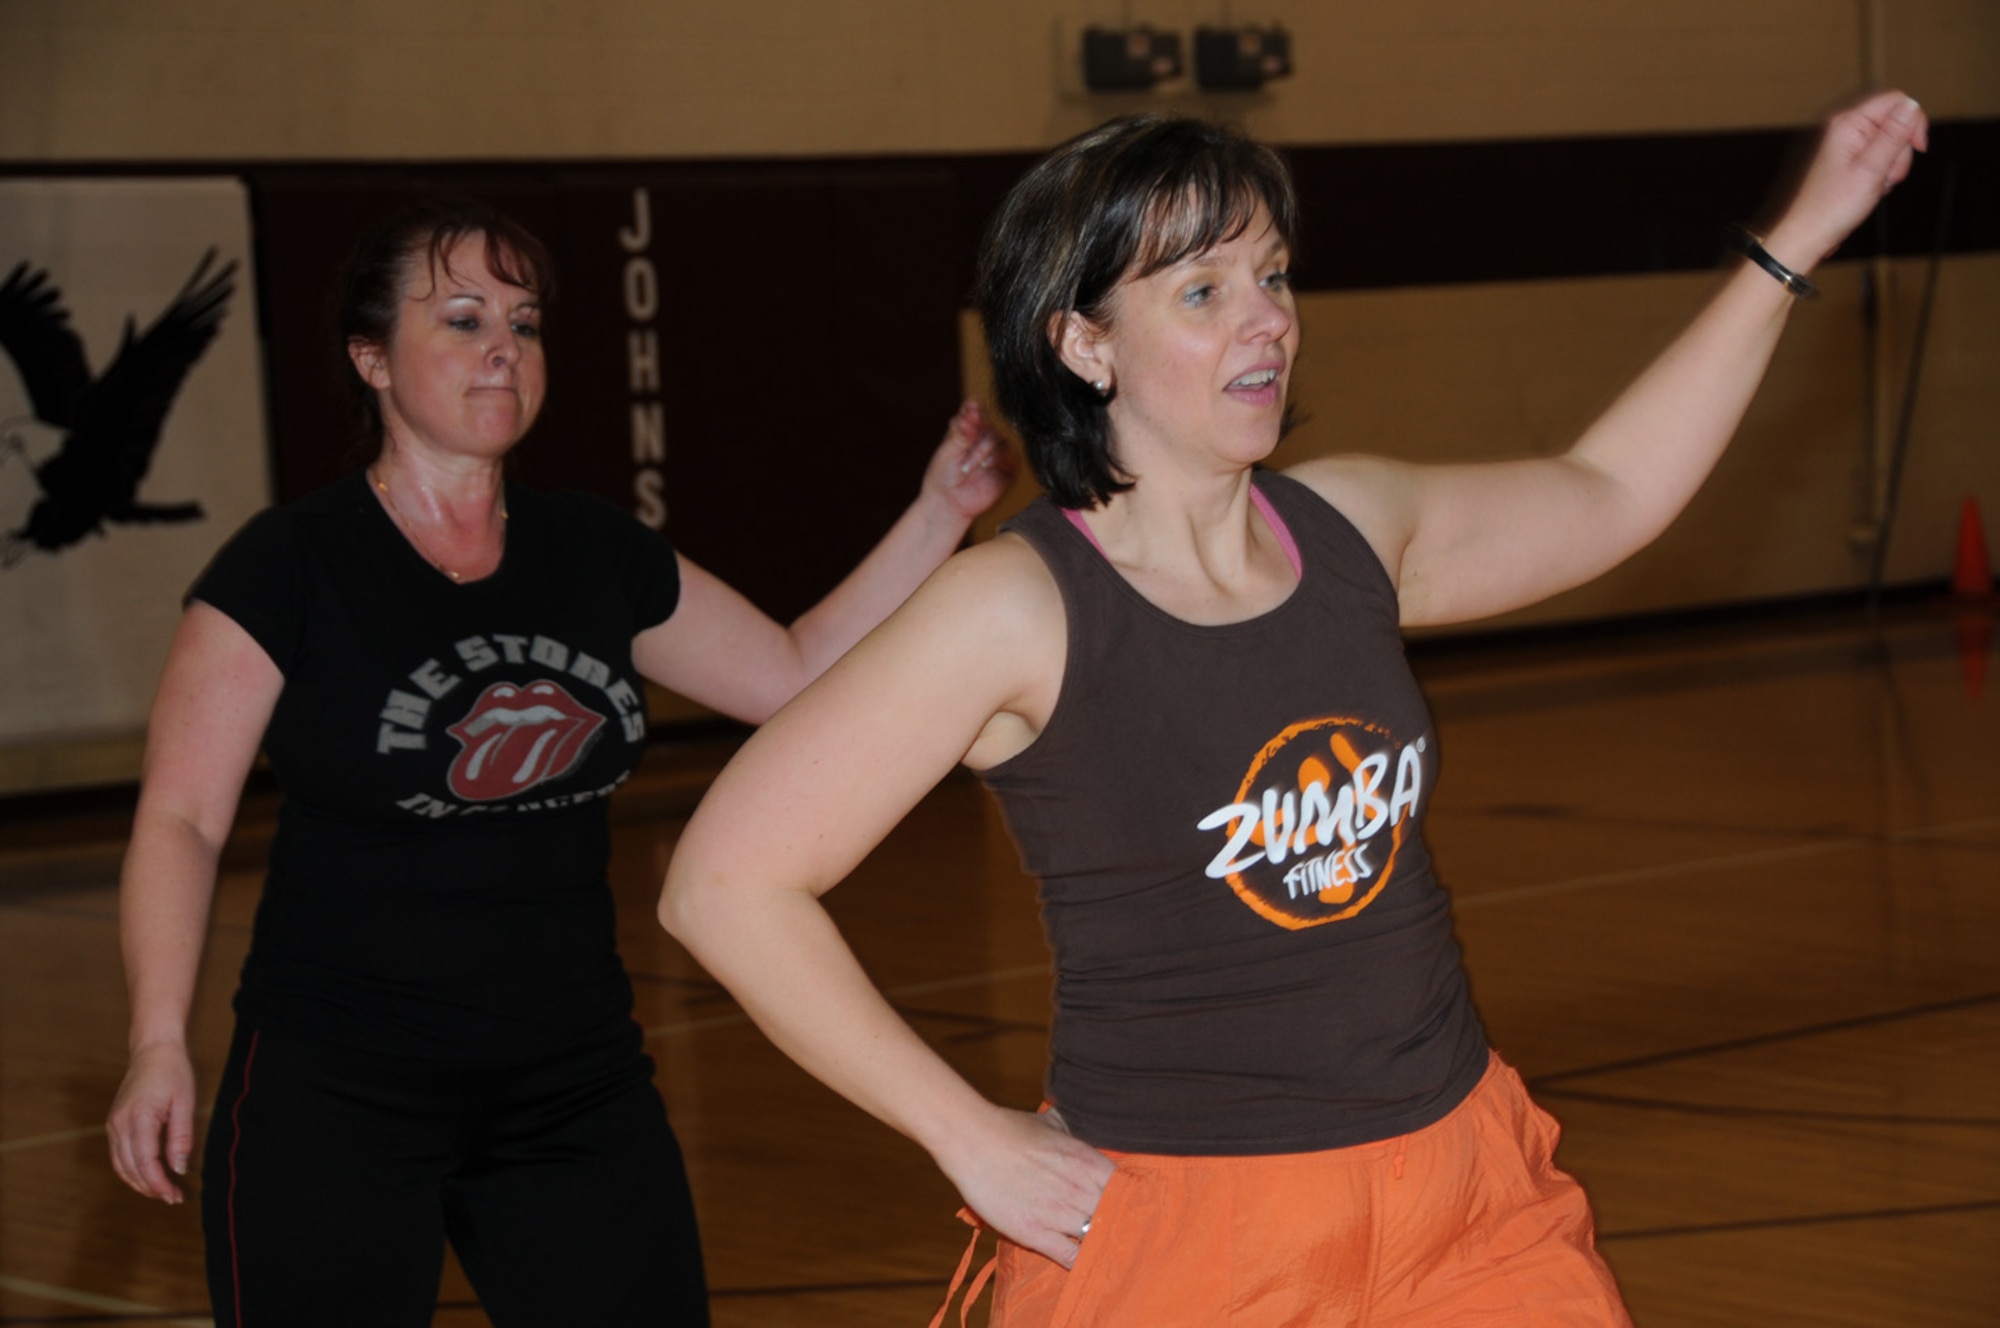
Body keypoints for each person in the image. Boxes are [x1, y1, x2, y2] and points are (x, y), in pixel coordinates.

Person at [659, 91, 1927, 1325]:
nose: (1264, 320)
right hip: (1193, 1230)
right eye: (1202, 292)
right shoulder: (1014, 607)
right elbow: (724, 882)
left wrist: (1792, 244)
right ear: (1082, 340)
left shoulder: (1348, 528)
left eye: (1271, 276)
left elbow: (1607, 490)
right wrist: (963, 1134)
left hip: (1463, 1197)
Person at [104, 199, 1013, 1326]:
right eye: (465, 318)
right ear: (371, 357)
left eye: (525, 324)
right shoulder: (289, 566)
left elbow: (791, 671)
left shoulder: (591, 549)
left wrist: (938, 512)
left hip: (571, 1084)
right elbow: (181, 820)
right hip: (335, 1091)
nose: (504, 347)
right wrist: (156, 1043)